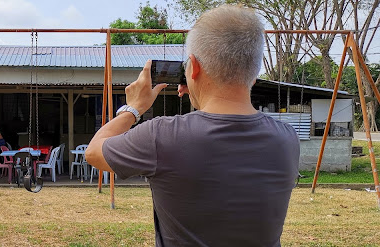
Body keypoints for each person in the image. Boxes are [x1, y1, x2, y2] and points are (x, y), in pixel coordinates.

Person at [85, 5, 299, 246]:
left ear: (193, 67)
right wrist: (201, 95)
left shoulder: (162, 136)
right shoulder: (287, 138)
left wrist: (133, 108)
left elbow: (93, 152)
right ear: (254, 71)